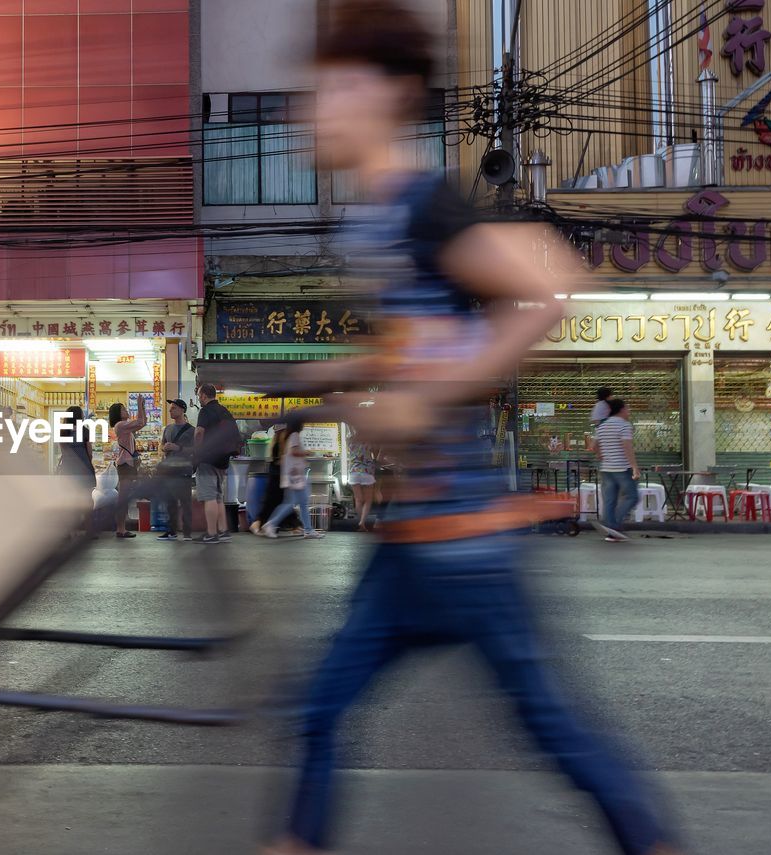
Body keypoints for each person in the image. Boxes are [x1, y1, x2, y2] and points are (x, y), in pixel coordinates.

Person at [262, 5, 683, 855]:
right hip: (411, 542)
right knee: (316, 709)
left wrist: (430, 394)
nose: (318, 107)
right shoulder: (376, 218)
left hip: (467, 547)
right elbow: (427, 329)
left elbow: (553, 287)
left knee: (551, 726)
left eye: (340, 86)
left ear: (394, 97)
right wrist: (343, 373)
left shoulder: (422, 201)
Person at [261, 418, 324, 540]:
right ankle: (271, 524)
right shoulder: (294, 435)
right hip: (296, 475)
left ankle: (308, 529)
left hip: (294, 474)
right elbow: (294, 452)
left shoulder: (290, 436)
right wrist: (306, 452)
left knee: (299, 502)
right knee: (292, 503)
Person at [193, 383, 237, 544]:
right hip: (223, 460)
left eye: (199, 395)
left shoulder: (205, 411)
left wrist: (197, 452)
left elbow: (199, 433)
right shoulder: (224, 411)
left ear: (204, 395)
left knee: (209, 496)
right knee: (218, 497)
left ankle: (211, 533)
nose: (199, 398)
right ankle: (223, 531)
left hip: (208, 458)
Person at [594, 398, 641, 542]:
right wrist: (634, 467)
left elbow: (594, 445)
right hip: (621, 468)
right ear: (621, 410)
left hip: (606, 469)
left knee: (610, 500)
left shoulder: (602, 426)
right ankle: (614, 525)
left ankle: (610, 529)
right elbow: (627, 446)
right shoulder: (624, 425)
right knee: (632, 496)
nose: (629, 411)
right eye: (628, 408)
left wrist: (602, 455)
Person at [250, 425, 303, 536]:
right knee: (282, 503)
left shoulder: (274, 442)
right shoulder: (283, 443)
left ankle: (295, 526)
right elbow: (285, 461)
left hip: (275, 477)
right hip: (279, 478)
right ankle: (295, 526)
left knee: (276, 504)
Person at [108, 397, 147, 539]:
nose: (126, 411)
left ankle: (121, 528)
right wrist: (138, 405)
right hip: (125, 465)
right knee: (123, 497)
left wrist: (142, 406)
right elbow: (140, 422)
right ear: (118, 414)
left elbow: (142, 423)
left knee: (124, 496)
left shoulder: (123, 426)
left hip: (127, 464)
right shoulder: (120, 425)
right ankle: (120, 529)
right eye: (123, 409)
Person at [157, 399, 195, 541]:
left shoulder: (192, 431)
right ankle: (171, 530)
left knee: (185, 502)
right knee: (170, 501)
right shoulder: (167, 429)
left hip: (184, 469)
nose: (170, 410)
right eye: (170, 408)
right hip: (169, 470)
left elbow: (196, 450)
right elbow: (161, 445)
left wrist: (178, 448)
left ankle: (187, 532)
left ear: (182, 410)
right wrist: (164, 448)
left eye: (173, 408)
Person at [56, 405, 97, 532]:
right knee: (87, 499)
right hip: (84, 468)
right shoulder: (85, 431)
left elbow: (63, 451)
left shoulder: (62, 431)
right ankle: (89, 529)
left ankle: (69, 530)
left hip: (68, 469)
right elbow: (89, 452)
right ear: (80, 417)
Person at [348, 435, 379, 531]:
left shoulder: (350, 439)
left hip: (354, 470)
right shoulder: (370, 439)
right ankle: (362, 521)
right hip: (367, 471)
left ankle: (361, 523)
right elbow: (376, 455)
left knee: (358, 499)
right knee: (368, 500)